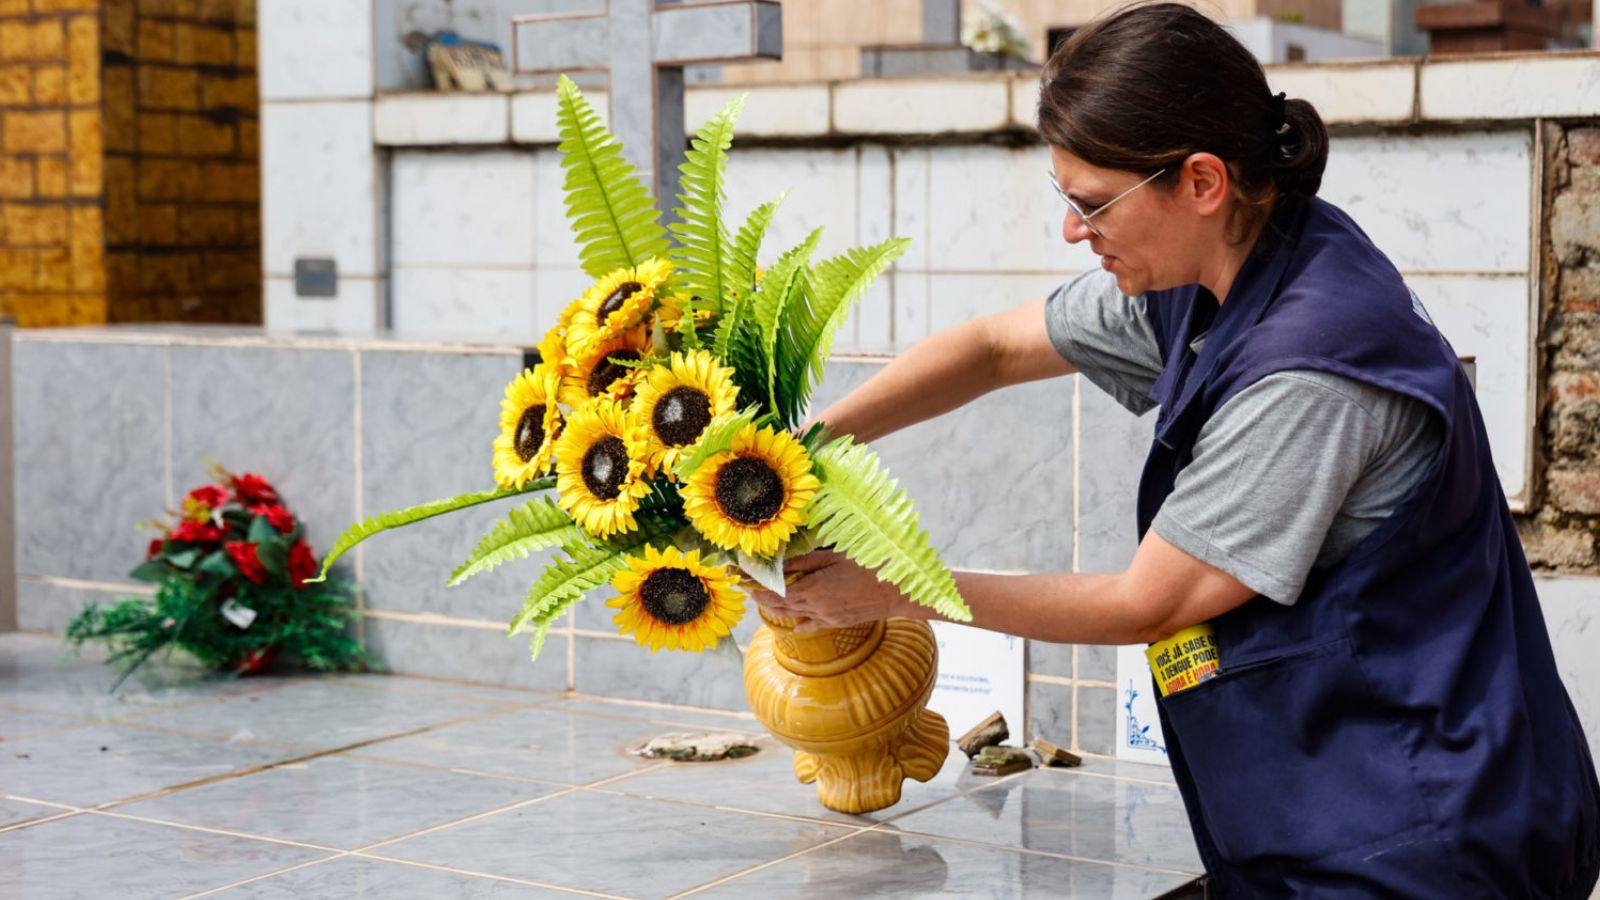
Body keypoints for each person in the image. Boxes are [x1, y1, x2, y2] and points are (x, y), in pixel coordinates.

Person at [749, 4, 1600, 896]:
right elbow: (994, 349)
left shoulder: (1312, 372)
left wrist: (892, 592)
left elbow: (1147, 602)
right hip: (1334, 815)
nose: (1075, 233)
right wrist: (794, 453)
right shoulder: (1224, 269)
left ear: (1201, 181)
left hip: (1425, 839)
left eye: (1092, 204)